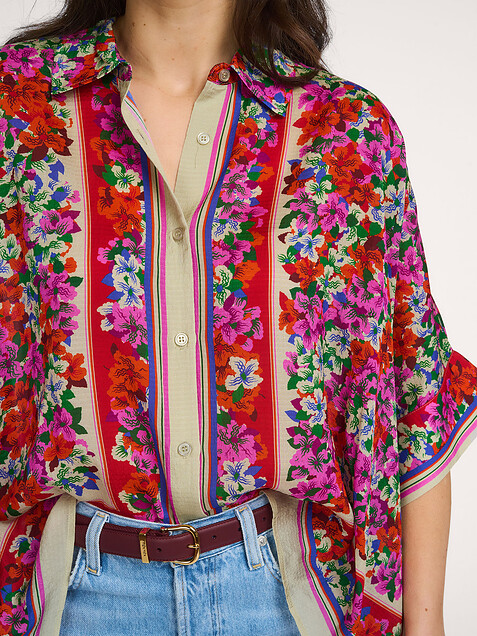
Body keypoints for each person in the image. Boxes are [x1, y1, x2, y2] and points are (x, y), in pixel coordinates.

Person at [0, 1, 476, 635]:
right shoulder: (17, 111)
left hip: (286, 596)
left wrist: (426, 624)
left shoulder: (344, 131)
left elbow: (412, 389)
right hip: (73, 597)